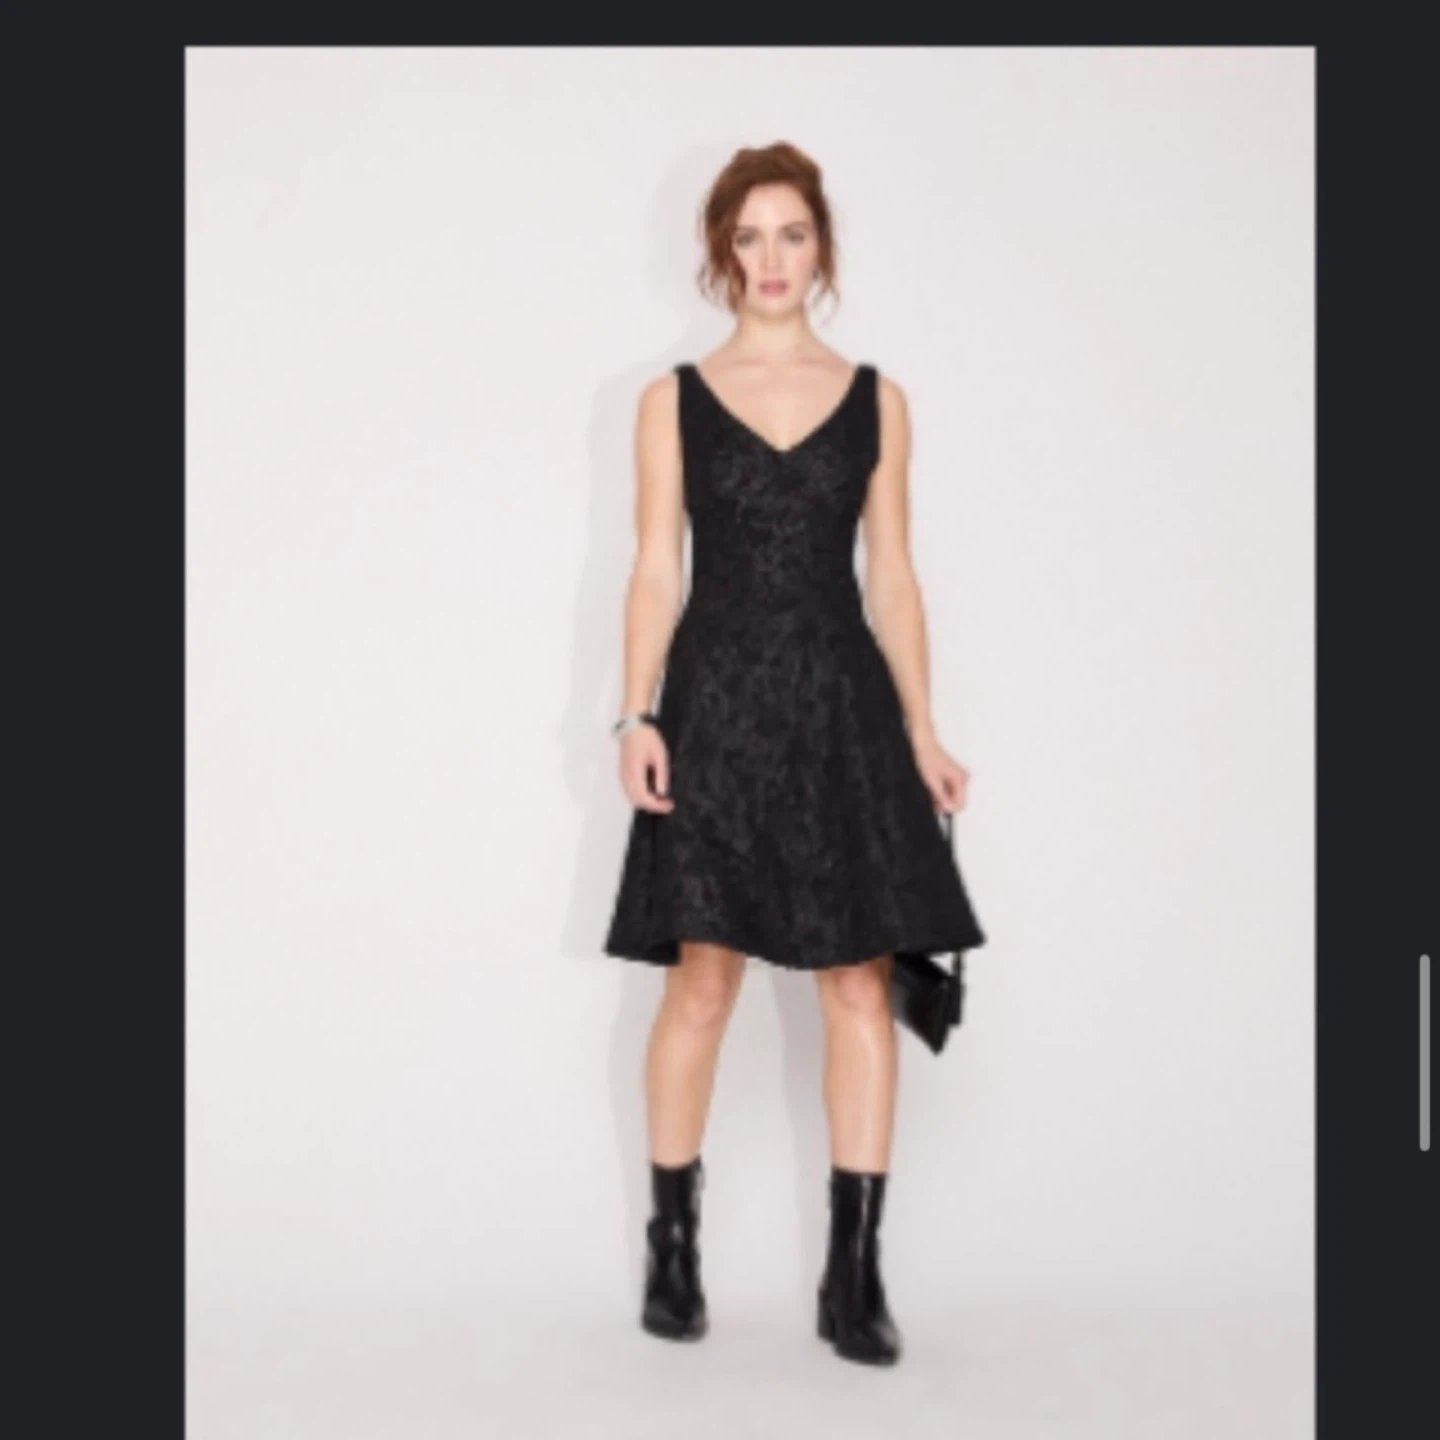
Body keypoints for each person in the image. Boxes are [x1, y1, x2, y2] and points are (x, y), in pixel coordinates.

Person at [602, 141, 987, 1366]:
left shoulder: (879, 399)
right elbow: (654, 569)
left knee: (860, 985)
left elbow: (895, 576)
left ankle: (852, 1277)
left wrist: (922, 731)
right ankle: (673, 1249)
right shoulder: (671, 400)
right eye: (749, 236)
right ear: (722, 251)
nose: (771, 258)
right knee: (700, 984)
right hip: (714, 707)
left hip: (838, 712)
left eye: (793, 233)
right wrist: (635, 715)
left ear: (822, 245)